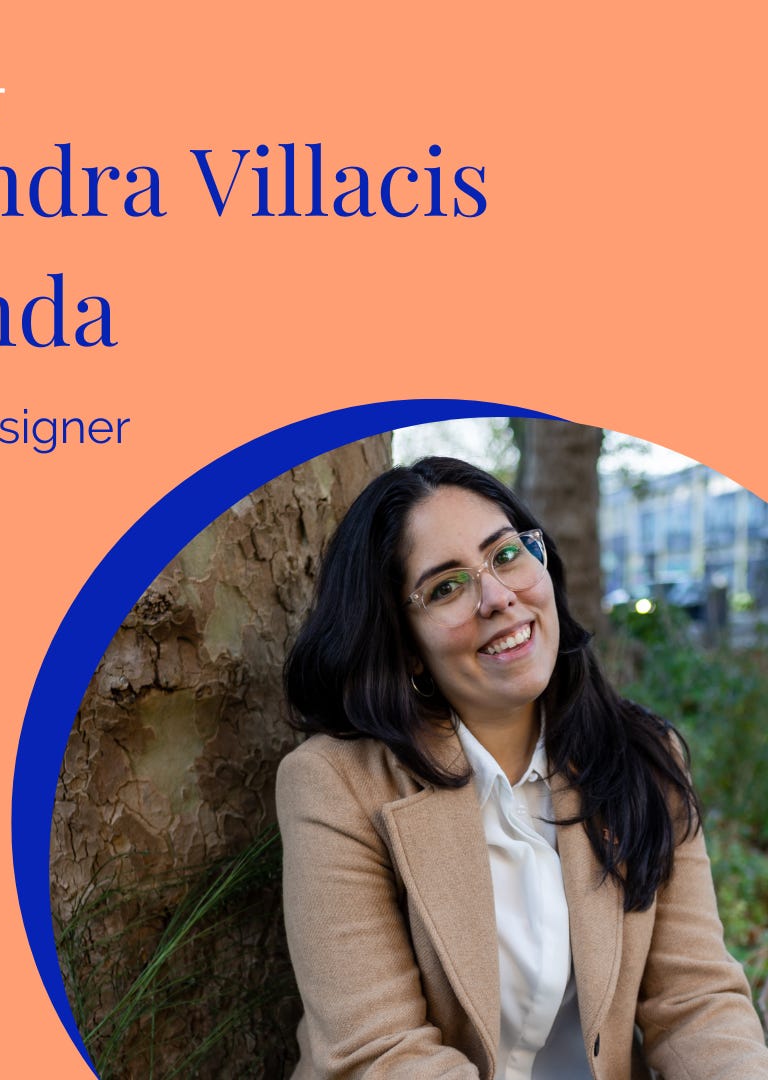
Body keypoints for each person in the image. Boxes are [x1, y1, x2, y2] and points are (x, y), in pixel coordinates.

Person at [278, 457, 768, 1080]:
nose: (499, 597)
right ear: (408, 648)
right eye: (447, 586)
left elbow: (695, 1002)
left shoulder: (645, 758)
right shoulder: (335, 785)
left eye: (506, 555)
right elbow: (378, 1053)